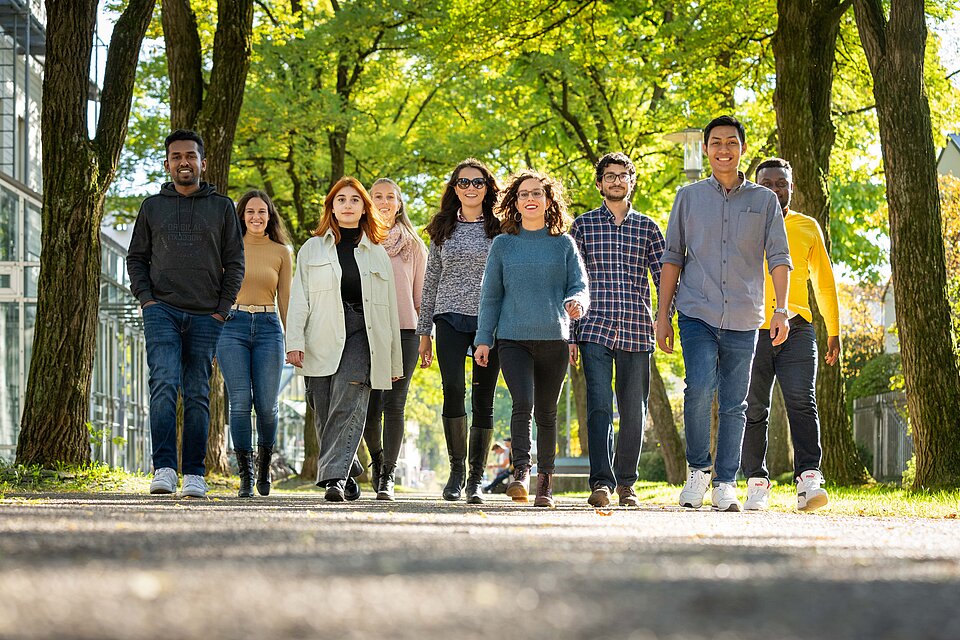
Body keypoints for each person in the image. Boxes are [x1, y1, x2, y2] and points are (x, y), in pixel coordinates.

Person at [656, 115, 793, 512]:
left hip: (745, 316)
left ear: (743, 149)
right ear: (705, 149)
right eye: (715, 143)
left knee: (735, 402)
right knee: (699, 389)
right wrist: (663, 314)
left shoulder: (764, 201)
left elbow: (779, 259)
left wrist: (780, 309)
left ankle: (725, 482)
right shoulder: (688, 197)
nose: (723, 150)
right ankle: (698, 471)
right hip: (696, 310)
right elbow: (672, 258)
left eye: (731, 142)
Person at [127, 129, 245, 499]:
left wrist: (222, 311)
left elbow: (235, 263)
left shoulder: (222, 207)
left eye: (190, 156)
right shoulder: (152, 207)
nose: (183, 162)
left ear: (202, 163)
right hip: (161, 308)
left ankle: (194, 472)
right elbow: (136, 258)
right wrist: (146, 299)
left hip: (206, 315)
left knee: (196, 392)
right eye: (176, 156)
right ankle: (163, 467)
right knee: (163, 383)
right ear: (167, 163)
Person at [475, 170, 589, 508]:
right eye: (524, 194)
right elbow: (490, 295)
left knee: (548, 413)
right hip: (513, 339)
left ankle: (545, 485)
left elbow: (579, 285)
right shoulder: (503, 244)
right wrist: (484, 338)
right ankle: (521, 475)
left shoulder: (563, 243)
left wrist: (577, 303)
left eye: (537, 193)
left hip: (554, 338)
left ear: (548, 200)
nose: (530, 199)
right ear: (515, 201)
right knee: (522, 404)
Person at [285, 177, 403, 502]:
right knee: (322, 406)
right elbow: (299, 298)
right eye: (341, 200)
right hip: (321, 332)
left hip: (363, 332)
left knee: (348, 398)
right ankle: (349, 470)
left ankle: (334, 479)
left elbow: (389, 310)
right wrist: (294, 340)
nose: (347, 205)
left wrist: (392, 359)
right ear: (332, 208)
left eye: (354, 200)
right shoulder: (311, 249)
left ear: (364, 207)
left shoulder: (377, 252)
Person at [742, 158, 839, 512]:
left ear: (791, 187)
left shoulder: (807, 227)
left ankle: (809, 479)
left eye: (781, 183)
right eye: (766, 182)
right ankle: (756, 482)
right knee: (753, 406)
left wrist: (834, 330)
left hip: (797, 327)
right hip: (752, 329)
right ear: (756, 186)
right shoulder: (744, 224)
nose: (774, 188)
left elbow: (824, 283)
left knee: (801, 400)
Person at [570, 152, 665, 509]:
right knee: (598, 407)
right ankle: (602, 483)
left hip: (638, 329)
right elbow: (572, 282)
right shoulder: (582, 227)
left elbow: (662, 279)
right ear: (599, 184)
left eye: (622, 175)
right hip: (593, 328)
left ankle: (627, 483)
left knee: (634, 410)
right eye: (609, 176)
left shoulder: (648, 227)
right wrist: (570, 335)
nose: (615, 181)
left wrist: (664, 318)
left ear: (632, 181)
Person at [417, 159, 502, 504]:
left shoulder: (501, 228)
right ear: (454, 188)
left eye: (477, 182)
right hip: (448, 317)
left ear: (487, 188)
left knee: (484, 395)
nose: (470, 188)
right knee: (453, 388)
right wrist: (424, 332)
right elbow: (430, 281)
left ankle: (476, 478)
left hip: (489, 320)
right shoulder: (442, 228)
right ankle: (455, 471)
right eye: (463, 182)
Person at [216, 190, 292, 498]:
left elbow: (286, 300)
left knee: (267, 406)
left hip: (268, 328)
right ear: (241, 216)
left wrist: (294, 341)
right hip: (230, 327)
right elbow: (214, 293)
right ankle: (245, 476)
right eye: (250, 212)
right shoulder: (227, 248)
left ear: (270, 216)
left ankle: (264, 467)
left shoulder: (282, 251)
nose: (256, 217)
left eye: (262, 212)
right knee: (239, 402)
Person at [361, 178, 427, 501]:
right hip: (368, 333)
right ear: (369, 201)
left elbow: (421, 300)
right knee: (370, 409)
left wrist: (428, 337)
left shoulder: (414, 246)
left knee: (395, 405)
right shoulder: (360, 241)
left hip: (405, 333)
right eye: (378, 196)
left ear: (399, 204)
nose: (384, 202)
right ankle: (376, 459)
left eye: (390, 197)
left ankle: (388, 473)